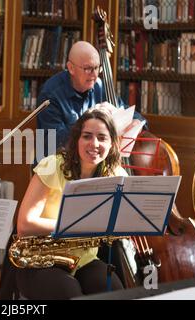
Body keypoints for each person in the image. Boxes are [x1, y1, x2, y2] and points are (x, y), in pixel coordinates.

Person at [15, 108, 126, 299]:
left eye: (102, 137)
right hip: (40, 259)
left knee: (116, 293)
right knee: (70, 294)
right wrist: (76, 226)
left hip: (83, 260)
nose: (95, 143)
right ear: (76, 140)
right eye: (87, 136)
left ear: (112, 144)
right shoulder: (53, 166)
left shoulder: (116, 176)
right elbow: (24, 225)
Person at [36, 41, 147, 160]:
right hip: (57, 166)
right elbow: (53, 143)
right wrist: (90, 118)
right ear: (71, 68)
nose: (94, 75)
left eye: (97, 68)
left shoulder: (99, 86)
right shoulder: (50, 94)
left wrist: (136, 121)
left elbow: (127, 111)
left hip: (90, 164)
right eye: (88, 68)